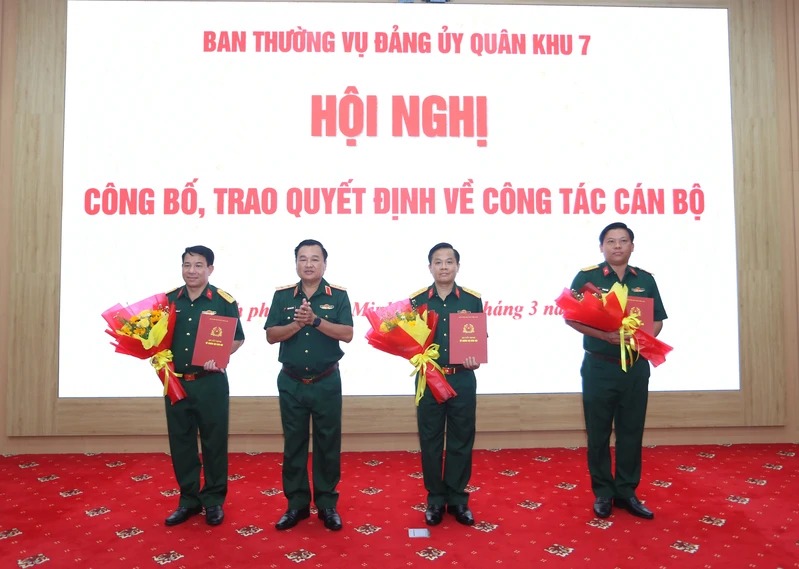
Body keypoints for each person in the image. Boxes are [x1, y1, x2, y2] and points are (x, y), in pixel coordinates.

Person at [566, 222, 668, 520]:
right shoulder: (588, 277)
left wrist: (644, 337)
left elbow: (658, 319)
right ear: (602, 246)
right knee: (598, 433)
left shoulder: (645, 280)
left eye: (624, 241)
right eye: (611, 241)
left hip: (635, 368)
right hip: (600, 366)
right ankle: (603, 493)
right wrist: (605, 337)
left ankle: (627, 491)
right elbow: (571, 318)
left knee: (631, 431)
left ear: (632, 246)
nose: (617, 246)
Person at [265, 239, 353, 532]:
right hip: (291, 382)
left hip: (326, 380)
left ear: (324, 264)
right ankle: (296, 505)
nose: (309, 264)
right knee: (294, 445)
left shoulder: (338, 295)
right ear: (296, 264)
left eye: (315, 259)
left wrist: (315, 321)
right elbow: (271, 335)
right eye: (303, 259)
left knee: (328, 445)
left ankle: (327, 505)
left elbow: (347, 334)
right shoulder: (282, 296)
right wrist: (297, 325)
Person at [163, 245, 245, 527]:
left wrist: (222, 355)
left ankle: (213, 501)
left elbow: (238, 338)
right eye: (187, 265)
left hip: (210, 384)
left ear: (210, 269)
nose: (192, 271)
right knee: (181, 443)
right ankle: (188, 500)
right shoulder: (168, 300)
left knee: (214, 443)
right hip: (176, 383)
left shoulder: (223, 300)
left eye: (199, 265)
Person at [410, 242, 483, 527]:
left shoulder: (471, 299)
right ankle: (435, 499)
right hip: (429, 379)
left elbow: (479, 338)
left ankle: (457, 499)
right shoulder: (417, 301)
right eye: (438, 262)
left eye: (449, 262)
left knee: (461, 440)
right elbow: (410, 342)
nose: (443, 267)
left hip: (462, 379)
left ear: (457, 266)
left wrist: (475, 358)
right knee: (429, 442)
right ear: (430, 267)